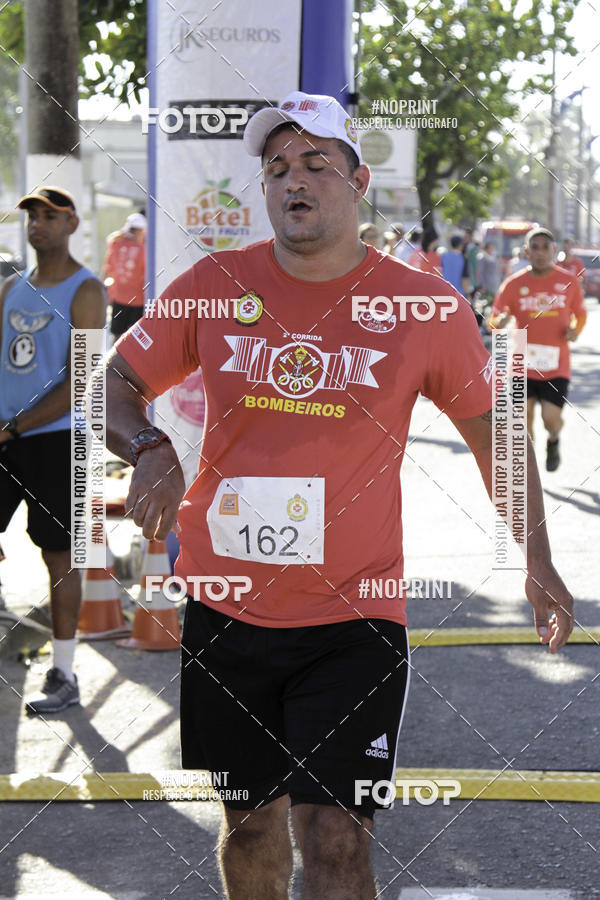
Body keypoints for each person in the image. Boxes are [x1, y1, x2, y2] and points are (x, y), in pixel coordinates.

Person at [104, 93, 573, 898]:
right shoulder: (215, 285)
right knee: (249, 824)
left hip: (354, 618)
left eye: (317, 163)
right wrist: (145, 445)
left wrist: (539, 560)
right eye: (277, 167)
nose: (295, 178)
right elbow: (113, 378)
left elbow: (498, 439)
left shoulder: (424, 307)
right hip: (225, 606)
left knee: (333, 835)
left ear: (358, 184)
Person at [0, 186, 106, 713]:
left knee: (59, 556)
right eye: (32, 216)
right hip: (5, 435)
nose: (37, 223)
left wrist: (17, 426)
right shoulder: (12, 288)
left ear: (72, 223)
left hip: (56, 440)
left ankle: (63, 672)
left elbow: (82, 377)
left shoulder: (88, 290)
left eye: (49, 215)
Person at [488, 226, 586, 471]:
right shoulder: (513, 284)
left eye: (545, 248)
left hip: (556, 364)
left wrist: (575, 331)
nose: (540, 253)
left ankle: (553, 440)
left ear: (554, 250)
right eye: (535, 247)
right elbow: (494, 319)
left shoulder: (568, 281)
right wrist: (499, 323)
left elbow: (580, 315)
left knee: (550, 420)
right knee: (522, 418)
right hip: (521, 362)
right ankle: (529, 468)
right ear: (526, 252)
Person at [102, 212, 146, 340]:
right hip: (138, 301)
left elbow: (107, 270)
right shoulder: (143, 250)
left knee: (117, 335)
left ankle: (112, 360)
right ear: (141, 231)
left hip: (119, 299)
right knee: (134, 339)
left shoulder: (116, 245)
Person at [463, 227, 480, 295]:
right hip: (465, 278)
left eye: (466, 236)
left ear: (470, 237)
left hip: (471, 278)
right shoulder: (464, 246)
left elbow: (474, 265)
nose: (465, 238)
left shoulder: (473, 248)